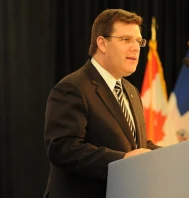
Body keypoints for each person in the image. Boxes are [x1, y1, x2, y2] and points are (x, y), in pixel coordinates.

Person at [43, 9, 160, 198]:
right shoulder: (73, 87)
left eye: (138, 41)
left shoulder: (130, 91)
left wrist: (174, 154)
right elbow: (63, 148)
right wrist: (121, 160)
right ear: (102, 43)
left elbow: (137, 145)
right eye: (125, 40)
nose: (135, 47)